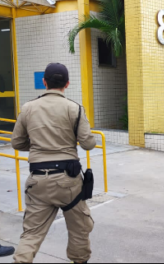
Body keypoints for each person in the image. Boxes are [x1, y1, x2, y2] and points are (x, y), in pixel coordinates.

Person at [11, 63, 96, 263]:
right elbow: (88, 144)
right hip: (69, 182)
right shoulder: (75, 108)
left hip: (37, 181)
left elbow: (16, 142)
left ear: (44, 82)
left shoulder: (28, 107)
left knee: (31, 233)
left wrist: (37, 147)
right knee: (79, 228)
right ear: (67, 84)